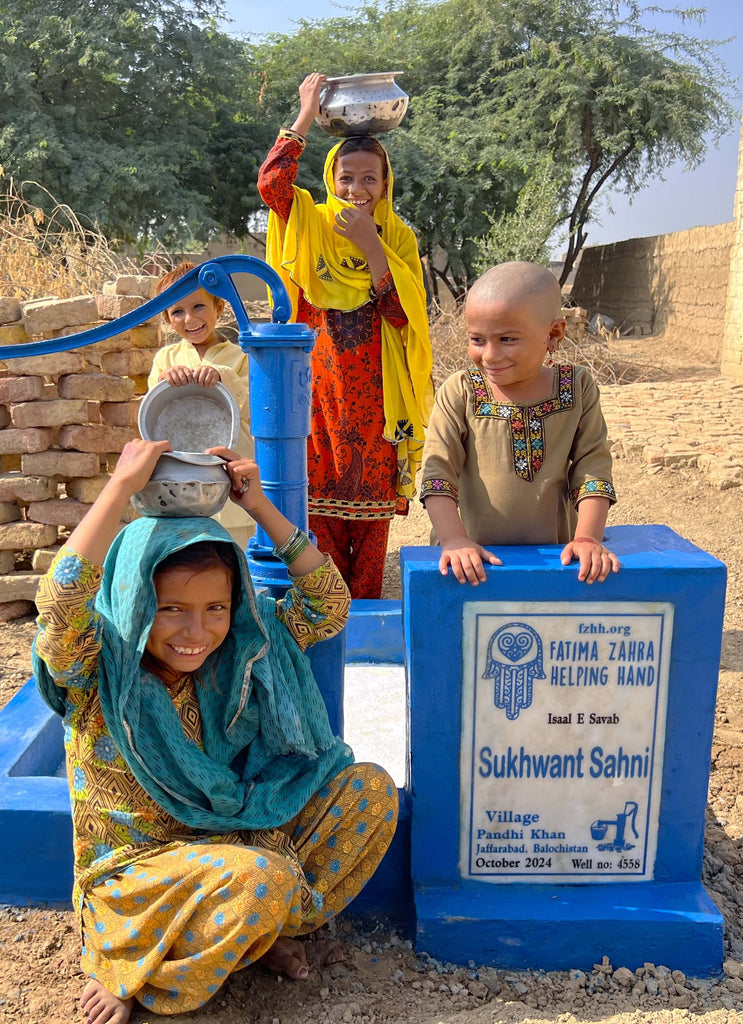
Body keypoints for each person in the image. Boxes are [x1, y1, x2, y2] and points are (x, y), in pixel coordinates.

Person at [32, 438, 397, 1024]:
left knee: (369, 791)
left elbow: (327, 603)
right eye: (171, 609)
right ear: (133, 601)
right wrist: (121, 488)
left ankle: (256, 935)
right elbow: (62, 599)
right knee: (263, 880)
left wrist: (259, 507)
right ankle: (135, 969)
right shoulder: (98, 669)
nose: (195, 632)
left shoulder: (244, 655)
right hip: (141, 875)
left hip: (240, 846)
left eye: (216, 608)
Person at [258, 72, 434, 599]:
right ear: (332, 179)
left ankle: (364, 653)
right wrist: (307, 110)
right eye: (347, 179)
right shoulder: (307, 222)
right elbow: (272, 184)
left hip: (380, 410)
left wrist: (370, 244)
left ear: (386, 185)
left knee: (370, 558)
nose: (357, 191)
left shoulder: (398, 236)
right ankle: (327, 643)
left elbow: (404, 318)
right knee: (321, 553)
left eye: (370, 180)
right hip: (316, 403)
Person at [420, 261, 620, 586]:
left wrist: (587, 539)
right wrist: (454, 541)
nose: (490, 355)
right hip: (471, 565)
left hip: (556, 562)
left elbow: (592, 467)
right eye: (477, 339)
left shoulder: (577, 387)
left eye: (508, 339)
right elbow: (437, 472)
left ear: (553, 333)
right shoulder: (461, 390)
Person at [148, 262, 256, 550]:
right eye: (177, 312)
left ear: (218, 307)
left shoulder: (243, 357)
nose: (189, 318)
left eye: (198, 306)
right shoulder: (166, 359)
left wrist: (223, 376)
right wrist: (164, 382)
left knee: (237, 556)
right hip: (179, 490)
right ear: (167, 319)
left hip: (233, 486)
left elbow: (253, 412)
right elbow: (151, 417)